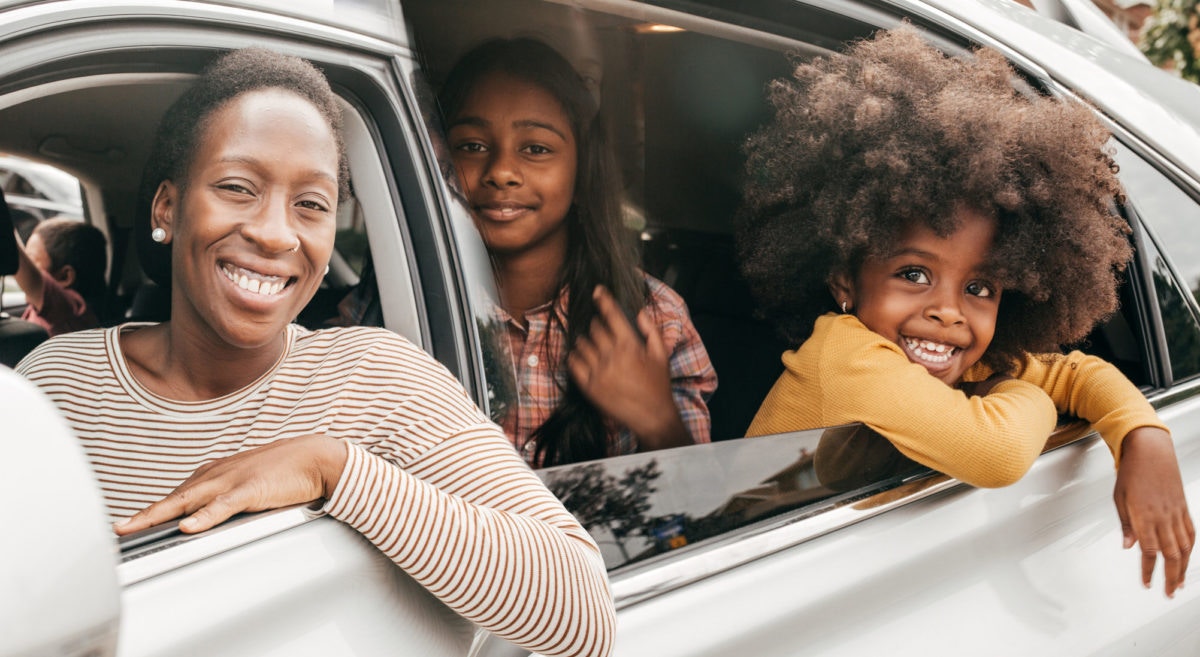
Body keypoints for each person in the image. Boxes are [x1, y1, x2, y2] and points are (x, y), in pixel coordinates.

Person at [16, 48, 615, 657]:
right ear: (168, 206)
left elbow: (584, 616)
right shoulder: (55, 380)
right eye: (237, 187)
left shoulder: (378, 377)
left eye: (311, 204)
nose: (276, 232)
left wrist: (332, 467)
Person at [738, 27, 1193, 597]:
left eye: (980, 287)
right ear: (844, 283)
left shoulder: (953, 357)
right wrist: (1022, 390)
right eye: (913, 275)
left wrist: (1142, 435)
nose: (949, 312)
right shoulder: (845, 356)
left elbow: (1075, 372)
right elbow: (996, 453)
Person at [438, 38, 718, 467]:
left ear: (582, 170)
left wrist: (657, 418)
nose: (501, 172)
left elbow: (697, 506)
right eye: (472, 146)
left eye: (535, 148)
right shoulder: (404, 287)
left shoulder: (654, 318)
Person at [11, 216, 106, 335]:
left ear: (65, 277)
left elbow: (26, 272)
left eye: (32, 260)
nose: (28, 264)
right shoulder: (47, 309)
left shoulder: (69, 309)